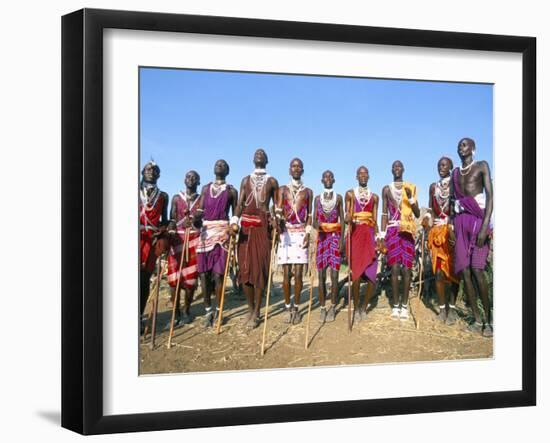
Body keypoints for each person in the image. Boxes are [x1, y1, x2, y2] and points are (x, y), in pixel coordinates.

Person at [230, 149, 279, 329]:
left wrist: (275, 220)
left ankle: (257, 311)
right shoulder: (245, 180)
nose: (259, 154)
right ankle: (249, 308)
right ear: (253, 159)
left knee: (260, 271)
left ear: (267, 160)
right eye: (256, 153)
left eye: (263, 153)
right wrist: (234, 221)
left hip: (262, 228)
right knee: (245, 271)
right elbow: (239, 204)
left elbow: (277, 206)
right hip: (245, 229)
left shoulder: (272, 181)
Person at [451, 138, 494, 337]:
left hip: (478, 221)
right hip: (460, 222)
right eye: (460, 145)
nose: (462, 147)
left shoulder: (481, 166)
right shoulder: (455, 173)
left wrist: (485, 227)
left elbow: (490, 197)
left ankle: (490, 319)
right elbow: (453, 202)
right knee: (465, 272)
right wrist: (453, 227)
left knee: (477, 270)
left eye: (465, 144)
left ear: (473, 149)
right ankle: (477, 320)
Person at [196, 160, 238, 328]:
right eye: (217, 164)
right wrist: (194, 220)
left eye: (223, 165)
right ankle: (208, 311)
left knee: (219, 275)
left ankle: (219, 310)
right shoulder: (206, 189)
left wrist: (234, 227)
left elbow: (235, 214)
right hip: (205, 234)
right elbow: (199, 213)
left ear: (227, 170)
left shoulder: (232, 191)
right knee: (204, 275)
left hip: (222, 233)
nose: (219, 166)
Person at [275, 158, 313, 324]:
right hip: (286, 233)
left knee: (298, 274)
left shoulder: (308, 192)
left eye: (299, 166)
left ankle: (296, 308)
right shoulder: (282, 190)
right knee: (286, 275)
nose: (296, 169)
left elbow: (310, 215)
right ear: (289, 170)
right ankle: (287, 307)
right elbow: (277, 209)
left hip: (300, 233)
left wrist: (308, 232)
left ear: (302, 170)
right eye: (293, 166)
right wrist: (277, 221)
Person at [380, 160, 420, 320]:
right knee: (395, 268)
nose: (397, 169)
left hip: (407, 231)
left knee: (406, 269)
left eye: (399, 167)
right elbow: (384, 214)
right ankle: (395, 305)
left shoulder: (410, 187)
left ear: (403, 169)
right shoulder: (386, 189)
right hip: (392, 231)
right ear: (391, 170)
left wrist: (410, 199)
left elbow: (417, 213)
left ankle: (405, 306)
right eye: (394, 167)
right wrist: (381, 236)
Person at [422, 157, 460, 324]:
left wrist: (453, 228)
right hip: (437, 232)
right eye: (438, 165)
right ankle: (442, 308)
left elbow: (459, 207)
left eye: (444, 165)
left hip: (452, 231)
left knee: (453, 272)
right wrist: (426, 219)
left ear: (451, 167)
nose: (441, 167)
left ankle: (451, 308)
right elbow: (431, 209)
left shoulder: (456, 184)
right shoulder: (433, 187)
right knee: (438, 272)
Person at [165, 170, 202, 327]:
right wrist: (173, 228)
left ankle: (186, 310)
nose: (191, 179)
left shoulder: (201, 200)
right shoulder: (176, 198)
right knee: (174, 279)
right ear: (184, 179)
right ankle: (175, 313)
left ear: (198, 182)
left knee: (190, 279)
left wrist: (193, 223)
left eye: (194, 177)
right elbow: (172, 220)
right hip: (177, 239)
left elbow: (202, 221)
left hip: (194, 239)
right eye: (188, 176)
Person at [344, 166, 379, 322]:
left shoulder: (375, 197)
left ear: (369, 176)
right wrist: (347, 218)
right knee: (356, 274)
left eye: (366, 174)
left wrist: (379, 238)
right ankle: (356, 307)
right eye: (360, 174)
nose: (363, 176)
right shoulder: (350, 194)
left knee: (372, 275)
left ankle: (364, 308)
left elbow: (375, 220)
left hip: (370, 235)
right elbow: (347, 216)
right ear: (356, 177)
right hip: (356, 234)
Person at [313, 170, 345, 323]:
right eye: (325, 177)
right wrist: (316, 224)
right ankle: (322, 308)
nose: (327, 179)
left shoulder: (338, 198)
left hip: (334, 238)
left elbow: (343, 220)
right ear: (321, 180)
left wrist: (342, 241)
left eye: (330, 177)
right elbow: (313, 220)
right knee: (320, 276)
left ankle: (333, 306)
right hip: (322, 239)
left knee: (334, 275)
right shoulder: (317, 199)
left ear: (334, 180)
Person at [139, 161, 169, 319]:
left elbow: (164, 220)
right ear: (142, 172)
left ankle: (139, 316)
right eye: (148, 169)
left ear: (159, 174)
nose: (151, 171)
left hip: (151, 240)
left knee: (144, 280)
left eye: (155, 169)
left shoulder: (163, 196)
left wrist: (164, 230)